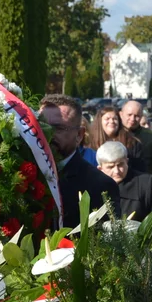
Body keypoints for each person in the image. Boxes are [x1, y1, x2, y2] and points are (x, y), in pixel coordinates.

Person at [40, 95, 119, 228]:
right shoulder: (24, 174)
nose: (48, 134)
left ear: (79, 135)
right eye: (42, 126)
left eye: (58, 128)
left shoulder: (100, 186)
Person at [96, 141, 152, 222]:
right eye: (110, 167)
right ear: (100, 169)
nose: (116, 171)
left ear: (127, 161)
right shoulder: (94, 187)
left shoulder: (145, 184)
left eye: (120, 165)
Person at [120, 100, 152, 201]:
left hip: (143, 191)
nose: (132, 119)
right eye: (129, 115)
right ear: (121, 114)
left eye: (137, 116)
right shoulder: (112, 135)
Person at [86, 105, 144, 172]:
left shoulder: (132, 143)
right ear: (100, 122)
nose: (111, 121)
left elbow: (139, 168)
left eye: (115, 119)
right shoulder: (90, 143)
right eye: (107, 119)